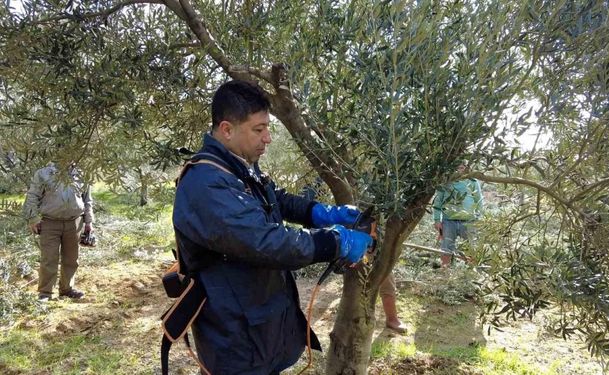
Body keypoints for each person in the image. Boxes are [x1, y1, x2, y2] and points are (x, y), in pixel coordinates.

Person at [172, 80, 373, 374]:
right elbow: (264, 240)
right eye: (258, 130)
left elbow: (273, 197)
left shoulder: (237, 165)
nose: (267, 138)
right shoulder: (205, 184)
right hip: (234, 340)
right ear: (227, 129)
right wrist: (334, 242)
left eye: (268, 128)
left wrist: (319, 213)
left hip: (257, 326)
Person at [300, 175, 407, 334]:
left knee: (385, 276)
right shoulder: (331, 178)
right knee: (353, 279)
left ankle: (392, 318)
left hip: (373, 237)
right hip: (348, 239)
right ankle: (350, 322)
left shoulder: (379, 182)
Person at [23, 161, 94, 301]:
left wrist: (89, 222)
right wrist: (33, 219)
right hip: (49, 222)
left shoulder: (82, 173)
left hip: (75, 222)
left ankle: (67, 289)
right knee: (49, 258)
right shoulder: (43, 173)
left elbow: (88, 200)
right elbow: (32, 196)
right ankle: (45, 293)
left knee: (72, 259)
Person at [432, 162, 483, 268]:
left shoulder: (472, 181)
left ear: (466, 168)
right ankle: (444, 272)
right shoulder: (446, 182)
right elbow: (438, 201)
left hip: (469, 221)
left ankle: (471, 272)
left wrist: (478, 218)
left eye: (462, 167)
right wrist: (437, 220)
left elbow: (479, 200)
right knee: (446, 248)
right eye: (457, 167)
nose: (459, 170)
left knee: (471, 248)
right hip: (448, 221)